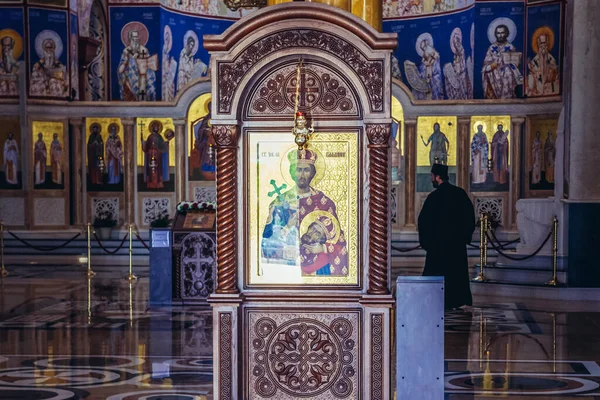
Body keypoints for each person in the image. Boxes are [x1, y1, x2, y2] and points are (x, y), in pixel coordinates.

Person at [261, 149, 349, 276]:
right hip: (288, 269)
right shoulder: (279, 204)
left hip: (320, 269)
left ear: (313, 173)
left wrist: (323, 248)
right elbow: (267, 244)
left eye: (306, 170)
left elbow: (340, 243)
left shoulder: (325, 203)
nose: (302, 175)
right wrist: (288, 227)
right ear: (292, 172)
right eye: (298, 169)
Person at [418, 163, 475, 310]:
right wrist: (464, 237)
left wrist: (427, 242)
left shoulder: (433, 197)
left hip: (437, 248)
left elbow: (423, 221)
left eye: (432, 176)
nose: (431, 179)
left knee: (436, 274)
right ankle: (457, 300)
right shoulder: (460, 193)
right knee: (456, 274)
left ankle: (436, 301)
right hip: (456, 246)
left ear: (437, 177)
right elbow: (469, 217)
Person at [482, 23, 523, 99]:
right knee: (491, 73)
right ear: (495, 34)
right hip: (494, 73)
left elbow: (515, 64)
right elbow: (485, 66)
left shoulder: (511, 47)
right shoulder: (491, 48)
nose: (500, 35)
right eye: (498, 33)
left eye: (502, 33)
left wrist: (513, 64)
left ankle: (507, 97)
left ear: (506, 34)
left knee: (508, 71)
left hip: (507, 73)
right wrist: (491, 66)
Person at [117, 27, 157, 101]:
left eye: (137, 36)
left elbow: (150, 66)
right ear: (130, 38)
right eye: (134, 37)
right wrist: (125, 62)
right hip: (130, 81)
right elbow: (120, 71)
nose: (136, 39)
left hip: (143, 80)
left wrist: (149, 66)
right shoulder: (126, 51)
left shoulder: (144, 50)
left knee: (145, 94)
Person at [527, 31, 559, 96]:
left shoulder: (550, 58)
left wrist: (549, 66)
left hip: (549, 84)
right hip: (539, 83)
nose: (543, 47)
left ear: (547, 44)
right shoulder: (535, 59)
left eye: (545, 44)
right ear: (538, 44)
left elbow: (555, 68)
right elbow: (533, 69)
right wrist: (533, 70)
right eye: (541, 44)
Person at [141, 120, 170, 189]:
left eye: (157, 127)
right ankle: (150, 183)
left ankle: (158, 183)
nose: (156, 128)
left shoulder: (159, 137)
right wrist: (143, 142)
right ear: (152, 128)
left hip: (158, 156)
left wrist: (166, 143)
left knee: (158, 169)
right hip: (150, 156)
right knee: (150, 170)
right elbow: (146, 146)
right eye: (155, 127)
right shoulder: (150, 137)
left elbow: (163, 146)